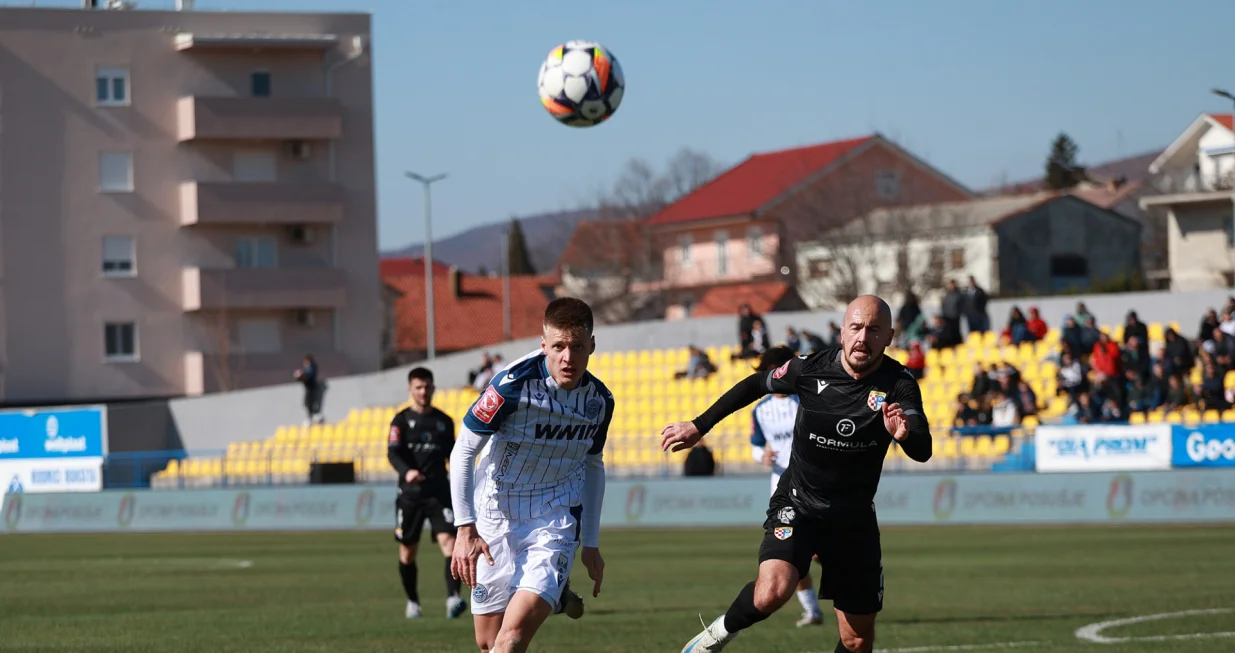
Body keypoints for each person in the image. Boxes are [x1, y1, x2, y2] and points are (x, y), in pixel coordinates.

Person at [661, 295, 933, 653]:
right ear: (842, 332)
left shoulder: (899, 383)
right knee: (772, 592)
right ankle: (713, 639)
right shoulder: (809, 369)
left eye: (874, 330)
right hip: (798, 503)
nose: (862, 338)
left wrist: (904, 435)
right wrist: (699, 425)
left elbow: (923, 448)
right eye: (855, 327)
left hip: (852, 520)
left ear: (889, 337)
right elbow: (754, 385)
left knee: (856, 640)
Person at [449, 297, 612, 653]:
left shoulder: (600, 401)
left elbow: (593, 464)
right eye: (558, 347)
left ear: (592, 346)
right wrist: (465, 528)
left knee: (510, 640)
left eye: (577, 347)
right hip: (495, 513)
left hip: (554, 517)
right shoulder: (511, 385)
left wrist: (592, 543)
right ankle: (557, 595)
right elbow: (463, 451)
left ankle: (548, 585)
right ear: (544, 345)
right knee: (487, 642)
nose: (568, 357)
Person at [748, 345, 825, 629]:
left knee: (819, 552)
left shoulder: (804, 400)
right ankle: (812, 611)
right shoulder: (761, 410)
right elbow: (755, 446)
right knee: (793, 551)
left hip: (813, 485)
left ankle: (849, 584)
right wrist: (762, 456)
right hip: (780, 491)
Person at [387, 367, 466, 620]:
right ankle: (413, 602)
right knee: (408, 551)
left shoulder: (444, 421)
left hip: (439, 492)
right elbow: (393, 452)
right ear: (410, 390)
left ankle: (453, 598)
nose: (424, 392)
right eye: (419, 387)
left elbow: (452, 456)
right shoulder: (400, 421)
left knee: (450, 544)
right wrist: (407, 471)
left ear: (433, 388)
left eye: (427, 387)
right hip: (410, 494)